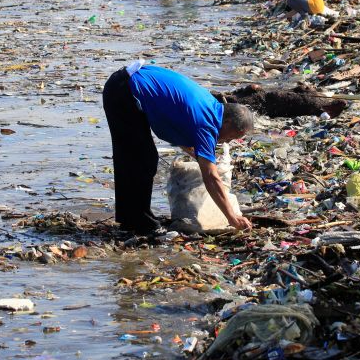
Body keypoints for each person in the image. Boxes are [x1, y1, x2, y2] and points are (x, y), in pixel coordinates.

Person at [102, 62, 253, 235]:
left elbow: (177, 125)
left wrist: (200, 156)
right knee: (140, 159)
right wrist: (232, 217)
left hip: (128, 84)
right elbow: (211, 178)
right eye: (232, 136)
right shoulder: (206, 124)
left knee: (140, 157)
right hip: (124, 91)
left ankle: (133, 219)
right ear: (227, 122)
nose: (228, 141)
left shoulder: (211, 107)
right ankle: (137, 222)